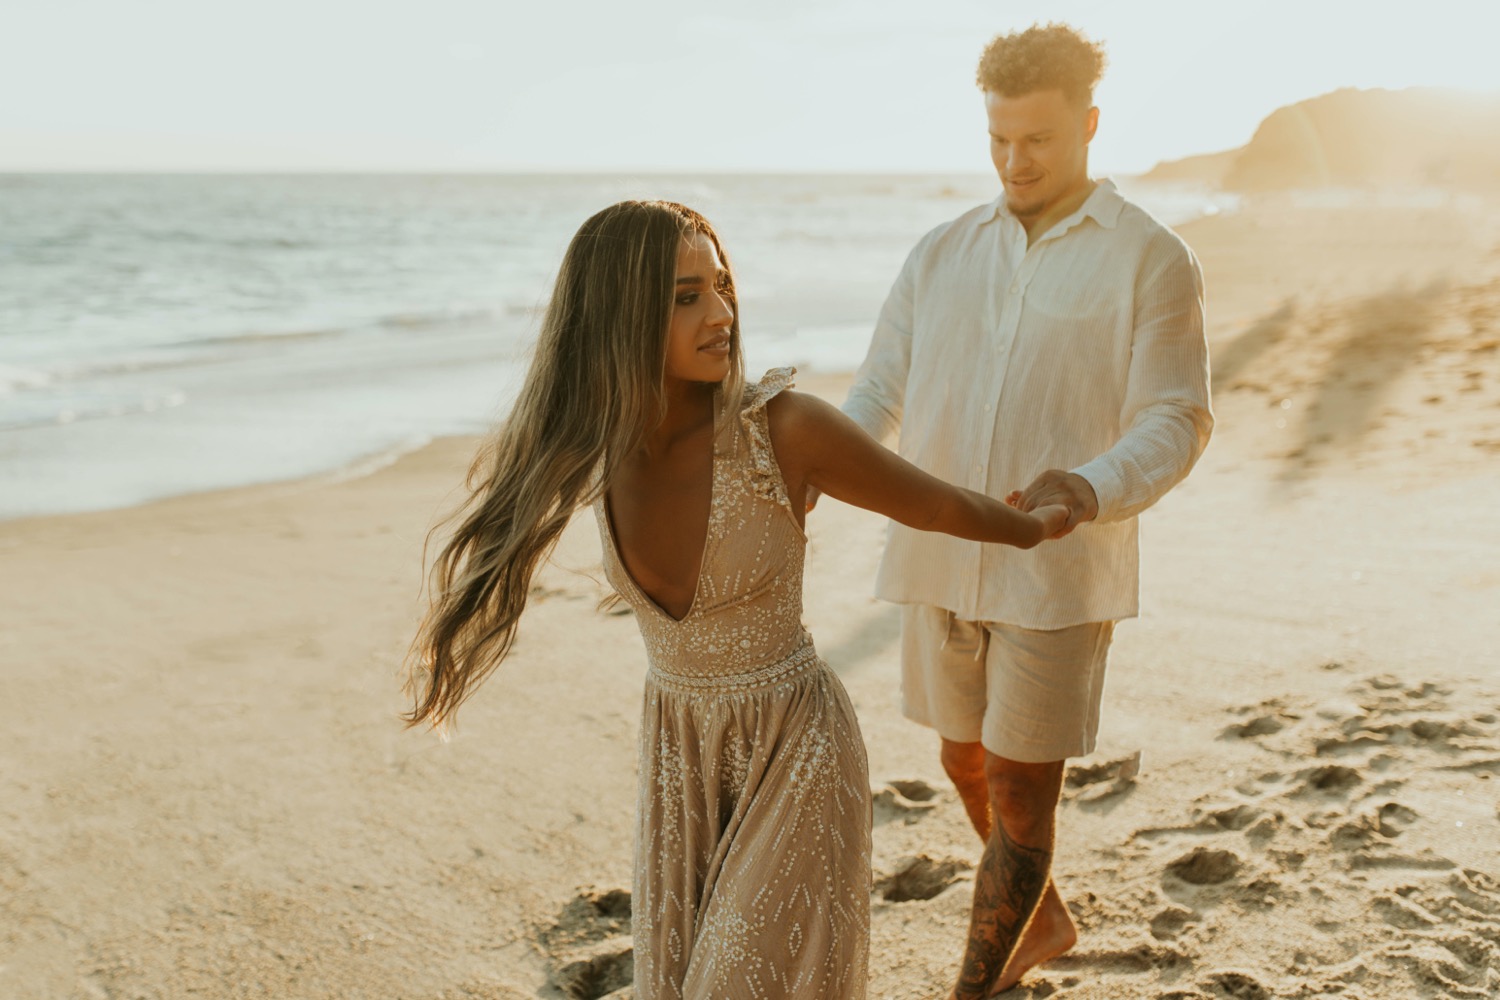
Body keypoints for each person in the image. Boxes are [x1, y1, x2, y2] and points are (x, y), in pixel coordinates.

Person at [402, 200, 1070, 999]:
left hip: (796, 747)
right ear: (618, 315)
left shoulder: (781, 429)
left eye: (721, 286)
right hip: (678, 756)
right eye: (686, 296)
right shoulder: (600, 447)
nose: (721, 313)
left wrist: (1030, 529)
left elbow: (932, 505)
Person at [838, 23, 1213, 999]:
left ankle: (979, 985)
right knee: (960, 753)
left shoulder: (1153, 259)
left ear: (1089, 123)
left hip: (1058, 569)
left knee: (1017, 790)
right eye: (999, 139)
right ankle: (1041, 918)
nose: (1014, 160)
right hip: (935, 558)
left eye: (1037, 139)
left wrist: (1087, 485)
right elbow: (879, 389)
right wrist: (818, 464)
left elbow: (1178, 415)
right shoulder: (939, 251)